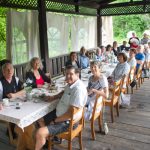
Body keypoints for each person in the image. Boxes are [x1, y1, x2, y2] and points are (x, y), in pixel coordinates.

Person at [35, 65, 87, 150]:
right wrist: (53, 97)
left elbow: (70, 114)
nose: (68, 76)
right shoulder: (71, 84)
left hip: (68, 122)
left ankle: (45, 137)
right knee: (39, 118)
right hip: (60, 114)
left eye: (71, 74)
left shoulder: (78, 90)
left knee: (40, 133)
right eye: (66, 74)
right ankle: (49, 139)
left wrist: (54, 121)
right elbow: (64, 92)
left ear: (77, 75)